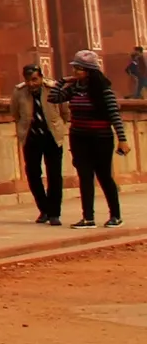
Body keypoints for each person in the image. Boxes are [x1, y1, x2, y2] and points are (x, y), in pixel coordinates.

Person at [51, 51, 128, 227]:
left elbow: (114, 116)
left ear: (89, 71)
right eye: (75, 68)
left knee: (104, 177)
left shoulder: (103, 91)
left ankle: (115, 215)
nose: (76, 72)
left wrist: (122, 140)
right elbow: (53, 97)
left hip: (101, 138)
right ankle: (88, 217)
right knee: (84, 177)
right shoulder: (74, 88)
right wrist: (62, 81)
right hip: (79, 137)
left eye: (80, 69)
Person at [11, 63, 66, 224]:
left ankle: (55, 213)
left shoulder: (53, 88)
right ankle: (44, 209)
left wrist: (59, 127)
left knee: (54, 175)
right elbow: (15, 113)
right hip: (31, 137)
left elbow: (65, 112)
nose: (31, 83)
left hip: (52, 136)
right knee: (33, 174)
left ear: (41, 78)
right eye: (28, 80)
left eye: (34, 79)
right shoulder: (19, 92)